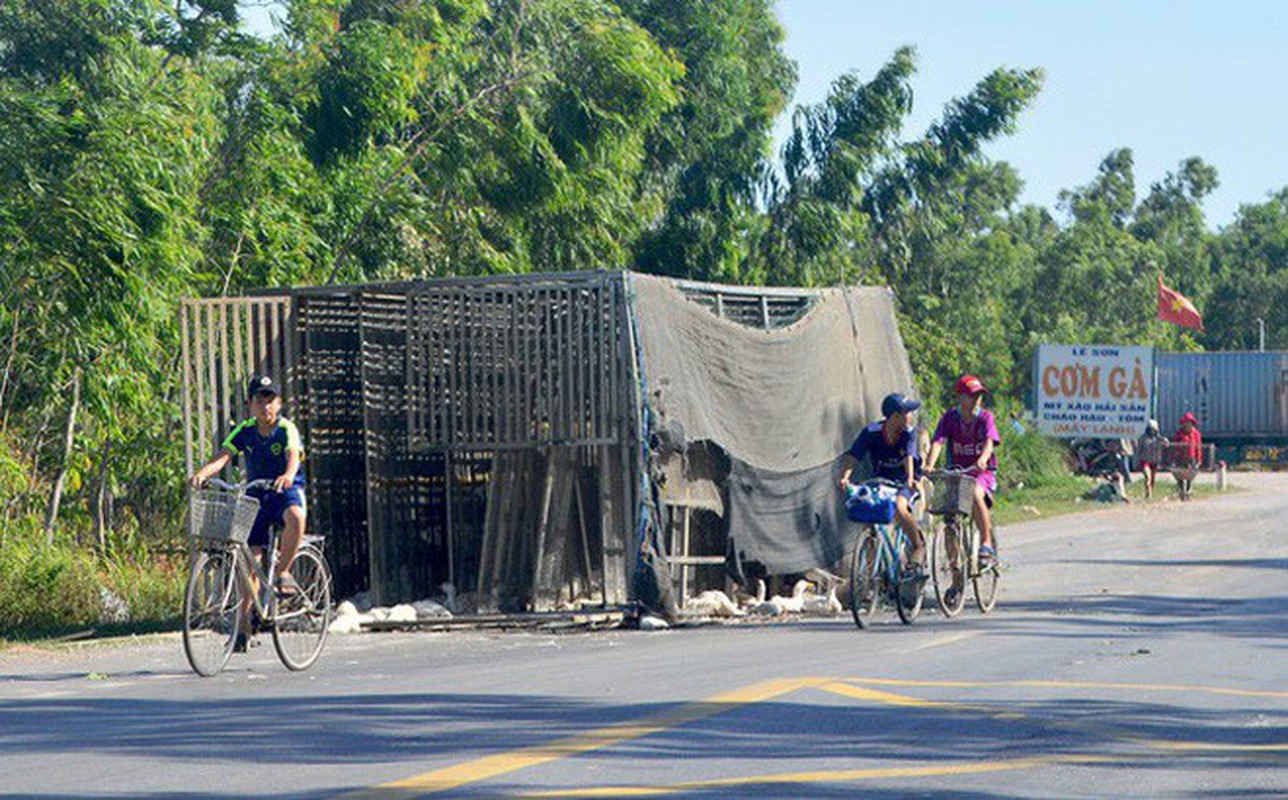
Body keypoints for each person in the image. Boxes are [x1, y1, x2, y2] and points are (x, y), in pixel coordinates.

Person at [189, 375, 308, 648]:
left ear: (278, 403)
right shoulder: (244, 430)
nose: (265, 404)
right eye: (259, 399)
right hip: (255, 494)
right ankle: (243, 626)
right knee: (248, 559)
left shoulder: (285, 429)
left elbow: (292, 457)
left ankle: (283, 572)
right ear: (250, 405)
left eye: (270, 399)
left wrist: (288, 475)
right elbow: (223, 456)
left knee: (297, 517)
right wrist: (202, 474)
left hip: (283, 491)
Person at [837, 392, 925, 572]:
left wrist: (909, 480)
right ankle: (870, 577)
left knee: (900, 507)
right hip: (880, 481)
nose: (911, 416)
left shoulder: (909, 433)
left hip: (905, 481)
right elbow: (854, 456)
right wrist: (844, 476)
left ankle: (918, 545)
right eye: (908, 412)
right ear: (895, 416)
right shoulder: (872, 432)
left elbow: (909, 456)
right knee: (869, 516)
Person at [926, 374, 1001, 580]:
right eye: (971, 395)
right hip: (956, 473)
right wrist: (930, 464)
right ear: (960, 397)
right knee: (950, 521)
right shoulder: (950, 417)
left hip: (981, 472)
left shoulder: (985, 417)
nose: (976, 399)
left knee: (975, 492)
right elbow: (938, 442)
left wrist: (984, 458)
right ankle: (956, 575)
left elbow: (989, 442)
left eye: (979, 395)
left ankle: (986, 544)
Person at [1173, 412, 1203, 498]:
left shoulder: (1196, 434)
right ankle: (1181, 492)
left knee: (1190, 476)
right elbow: (1175, 446)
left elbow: (1198, 447)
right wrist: (1174, 458)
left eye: (1189, 423)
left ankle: (1188, 492)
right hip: (1180, 458)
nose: (1187, 425)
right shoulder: (1179, 433)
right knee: (1180, 476)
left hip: (1191, 458)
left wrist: (1199, 459)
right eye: (1186, 422)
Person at [1137, 419, 1166, 499]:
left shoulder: (1158, 438)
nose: (1152, 430)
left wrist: (1164, 441)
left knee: (1153, 478)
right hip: (1145, 460)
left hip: (1154, 461)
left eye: (1153, 429)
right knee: (1147, 477)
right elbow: (1139, 450)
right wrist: (1137, 460)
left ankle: (1151, 493)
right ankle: (1148, 493)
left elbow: (1166, 444)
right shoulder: (1142, 438)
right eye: (1150, 428)